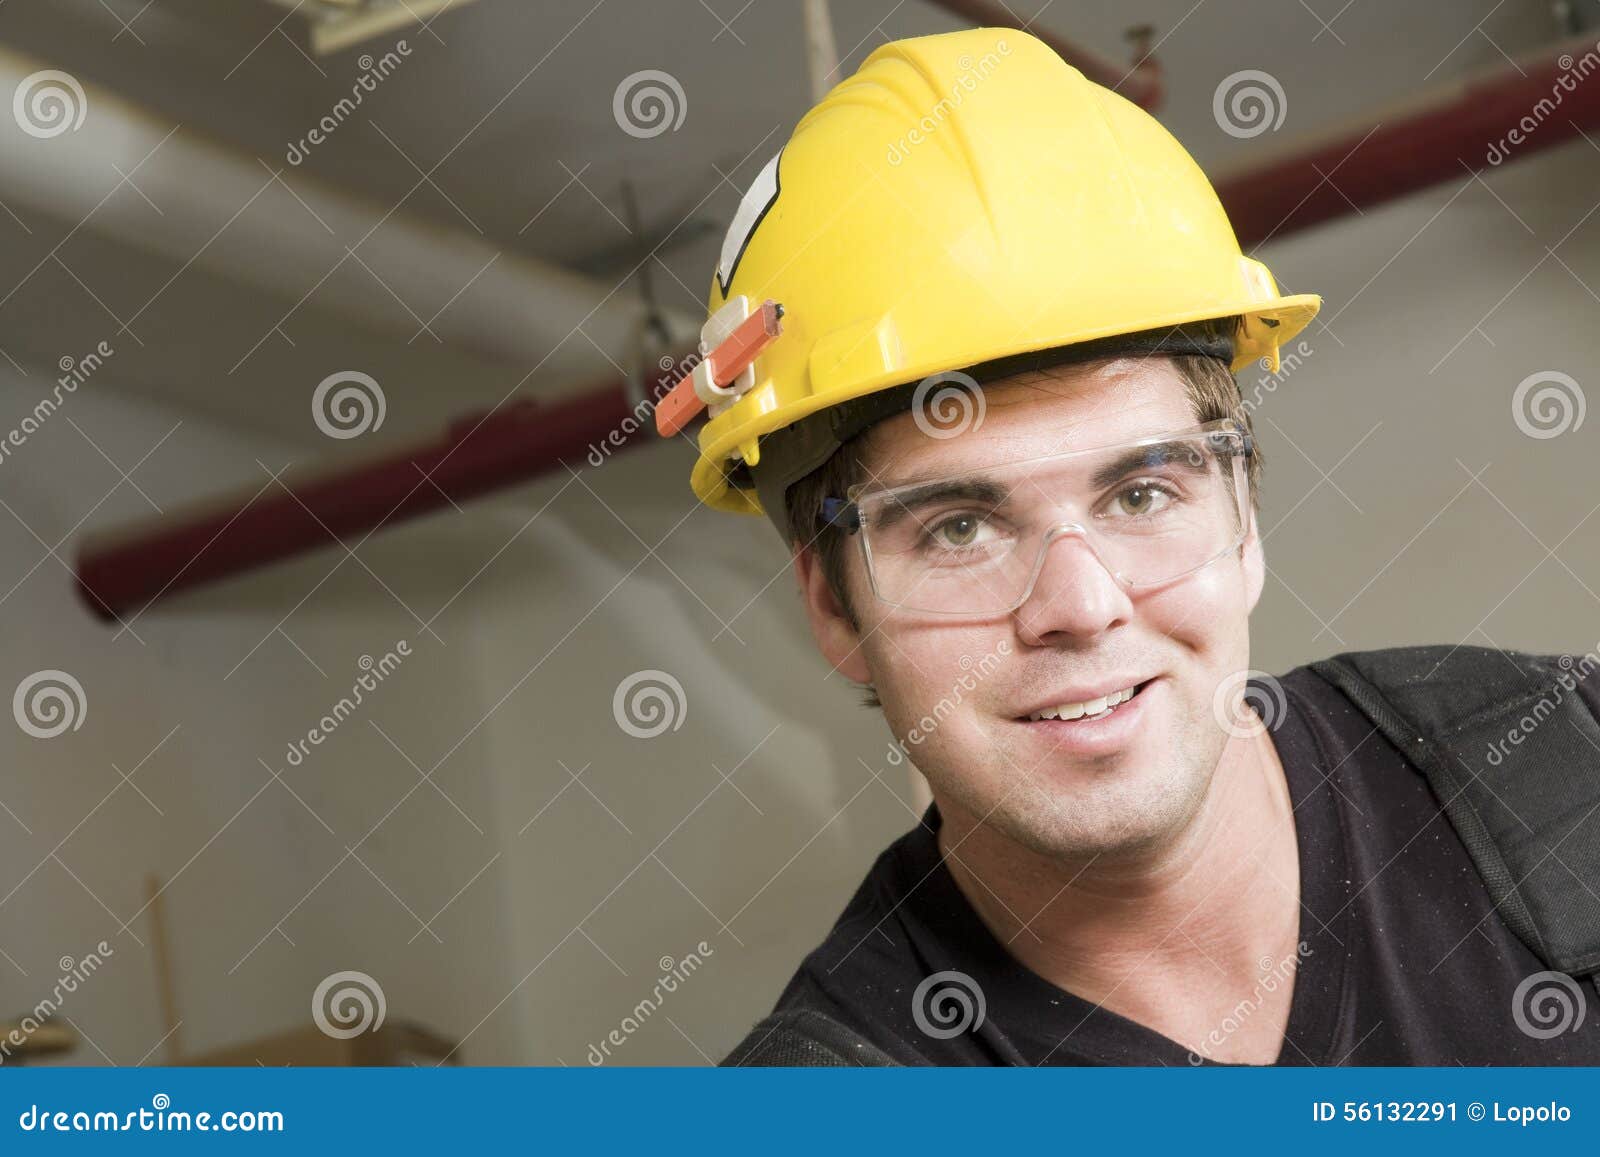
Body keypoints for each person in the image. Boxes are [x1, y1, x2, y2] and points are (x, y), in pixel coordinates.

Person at [658, 26, 1600, 1065]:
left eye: (1141, 491)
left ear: (1244, 519)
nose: (1081, 601)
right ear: (834, 605)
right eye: (960, 527)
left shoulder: (1559, 764)